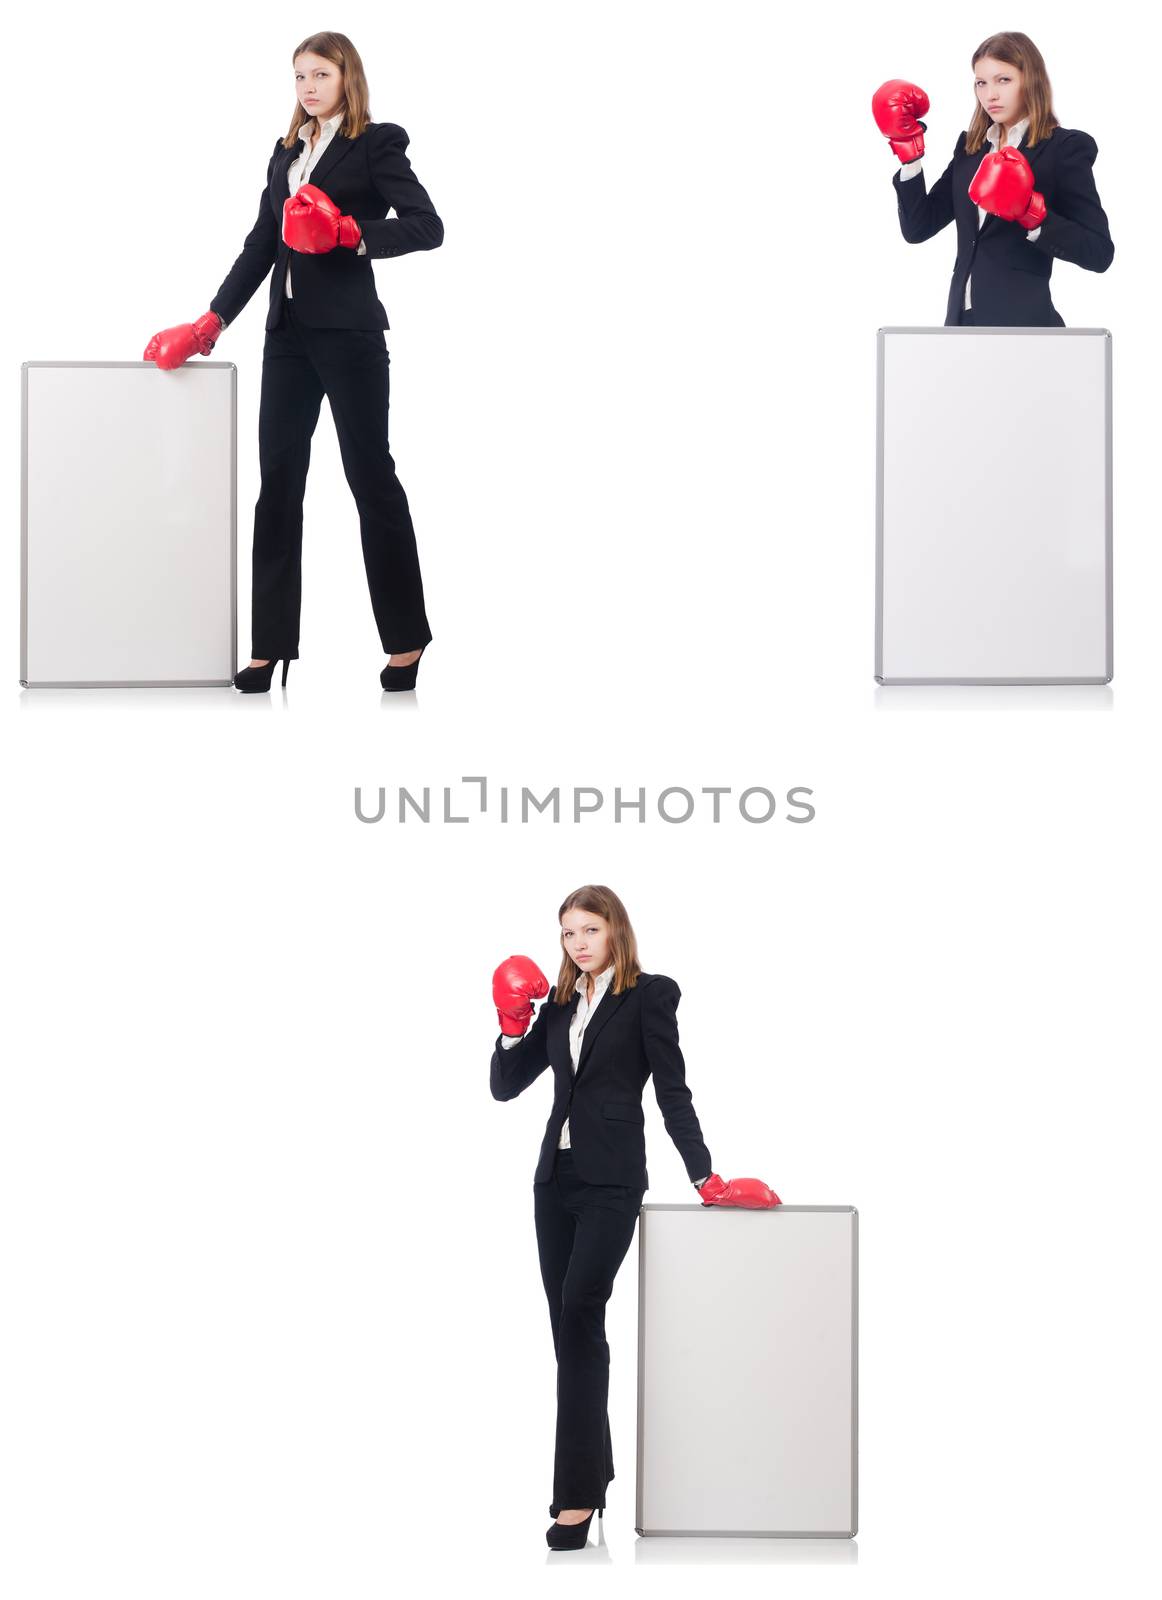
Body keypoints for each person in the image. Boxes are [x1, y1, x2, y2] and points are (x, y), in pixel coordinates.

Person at [143, 31, 443, 693]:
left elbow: (427, 224)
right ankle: (268, 645)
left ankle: (407, 639)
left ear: (346, 79)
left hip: (350, 336)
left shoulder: (376, 143)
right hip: (286, 338)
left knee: (371, 478)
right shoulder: (286, 154)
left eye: (320, 75)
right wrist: (211, 321)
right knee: (277, 484)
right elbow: (261, 244)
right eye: (299, 77)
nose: (307, 88)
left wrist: (350, 232)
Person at [490, 885, 780, 1551]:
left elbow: (672, 1089)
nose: (578, 943)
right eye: (567, 934)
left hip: (612, 1183)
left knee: (580, 1314)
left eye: (589, 929)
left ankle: (576, 1500)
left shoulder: (651, 995)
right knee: (569, 1334)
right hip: (553, 1183)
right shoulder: (559, 1002)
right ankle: (595, 1476)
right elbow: (506, 1087)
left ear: (615, 930)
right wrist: (510, 1025)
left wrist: (704, 1173)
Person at [872, 31, 1113, 326]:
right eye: (981, 83)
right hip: (961, 325)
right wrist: (910, 157)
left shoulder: (1063, 149)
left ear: (1031, 80)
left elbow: (1100, 253)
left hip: (1026, 328)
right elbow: (918, 228)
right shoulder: (970, 149)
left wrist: (1033, 215)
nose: (991, 95)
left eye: (1004, 80)